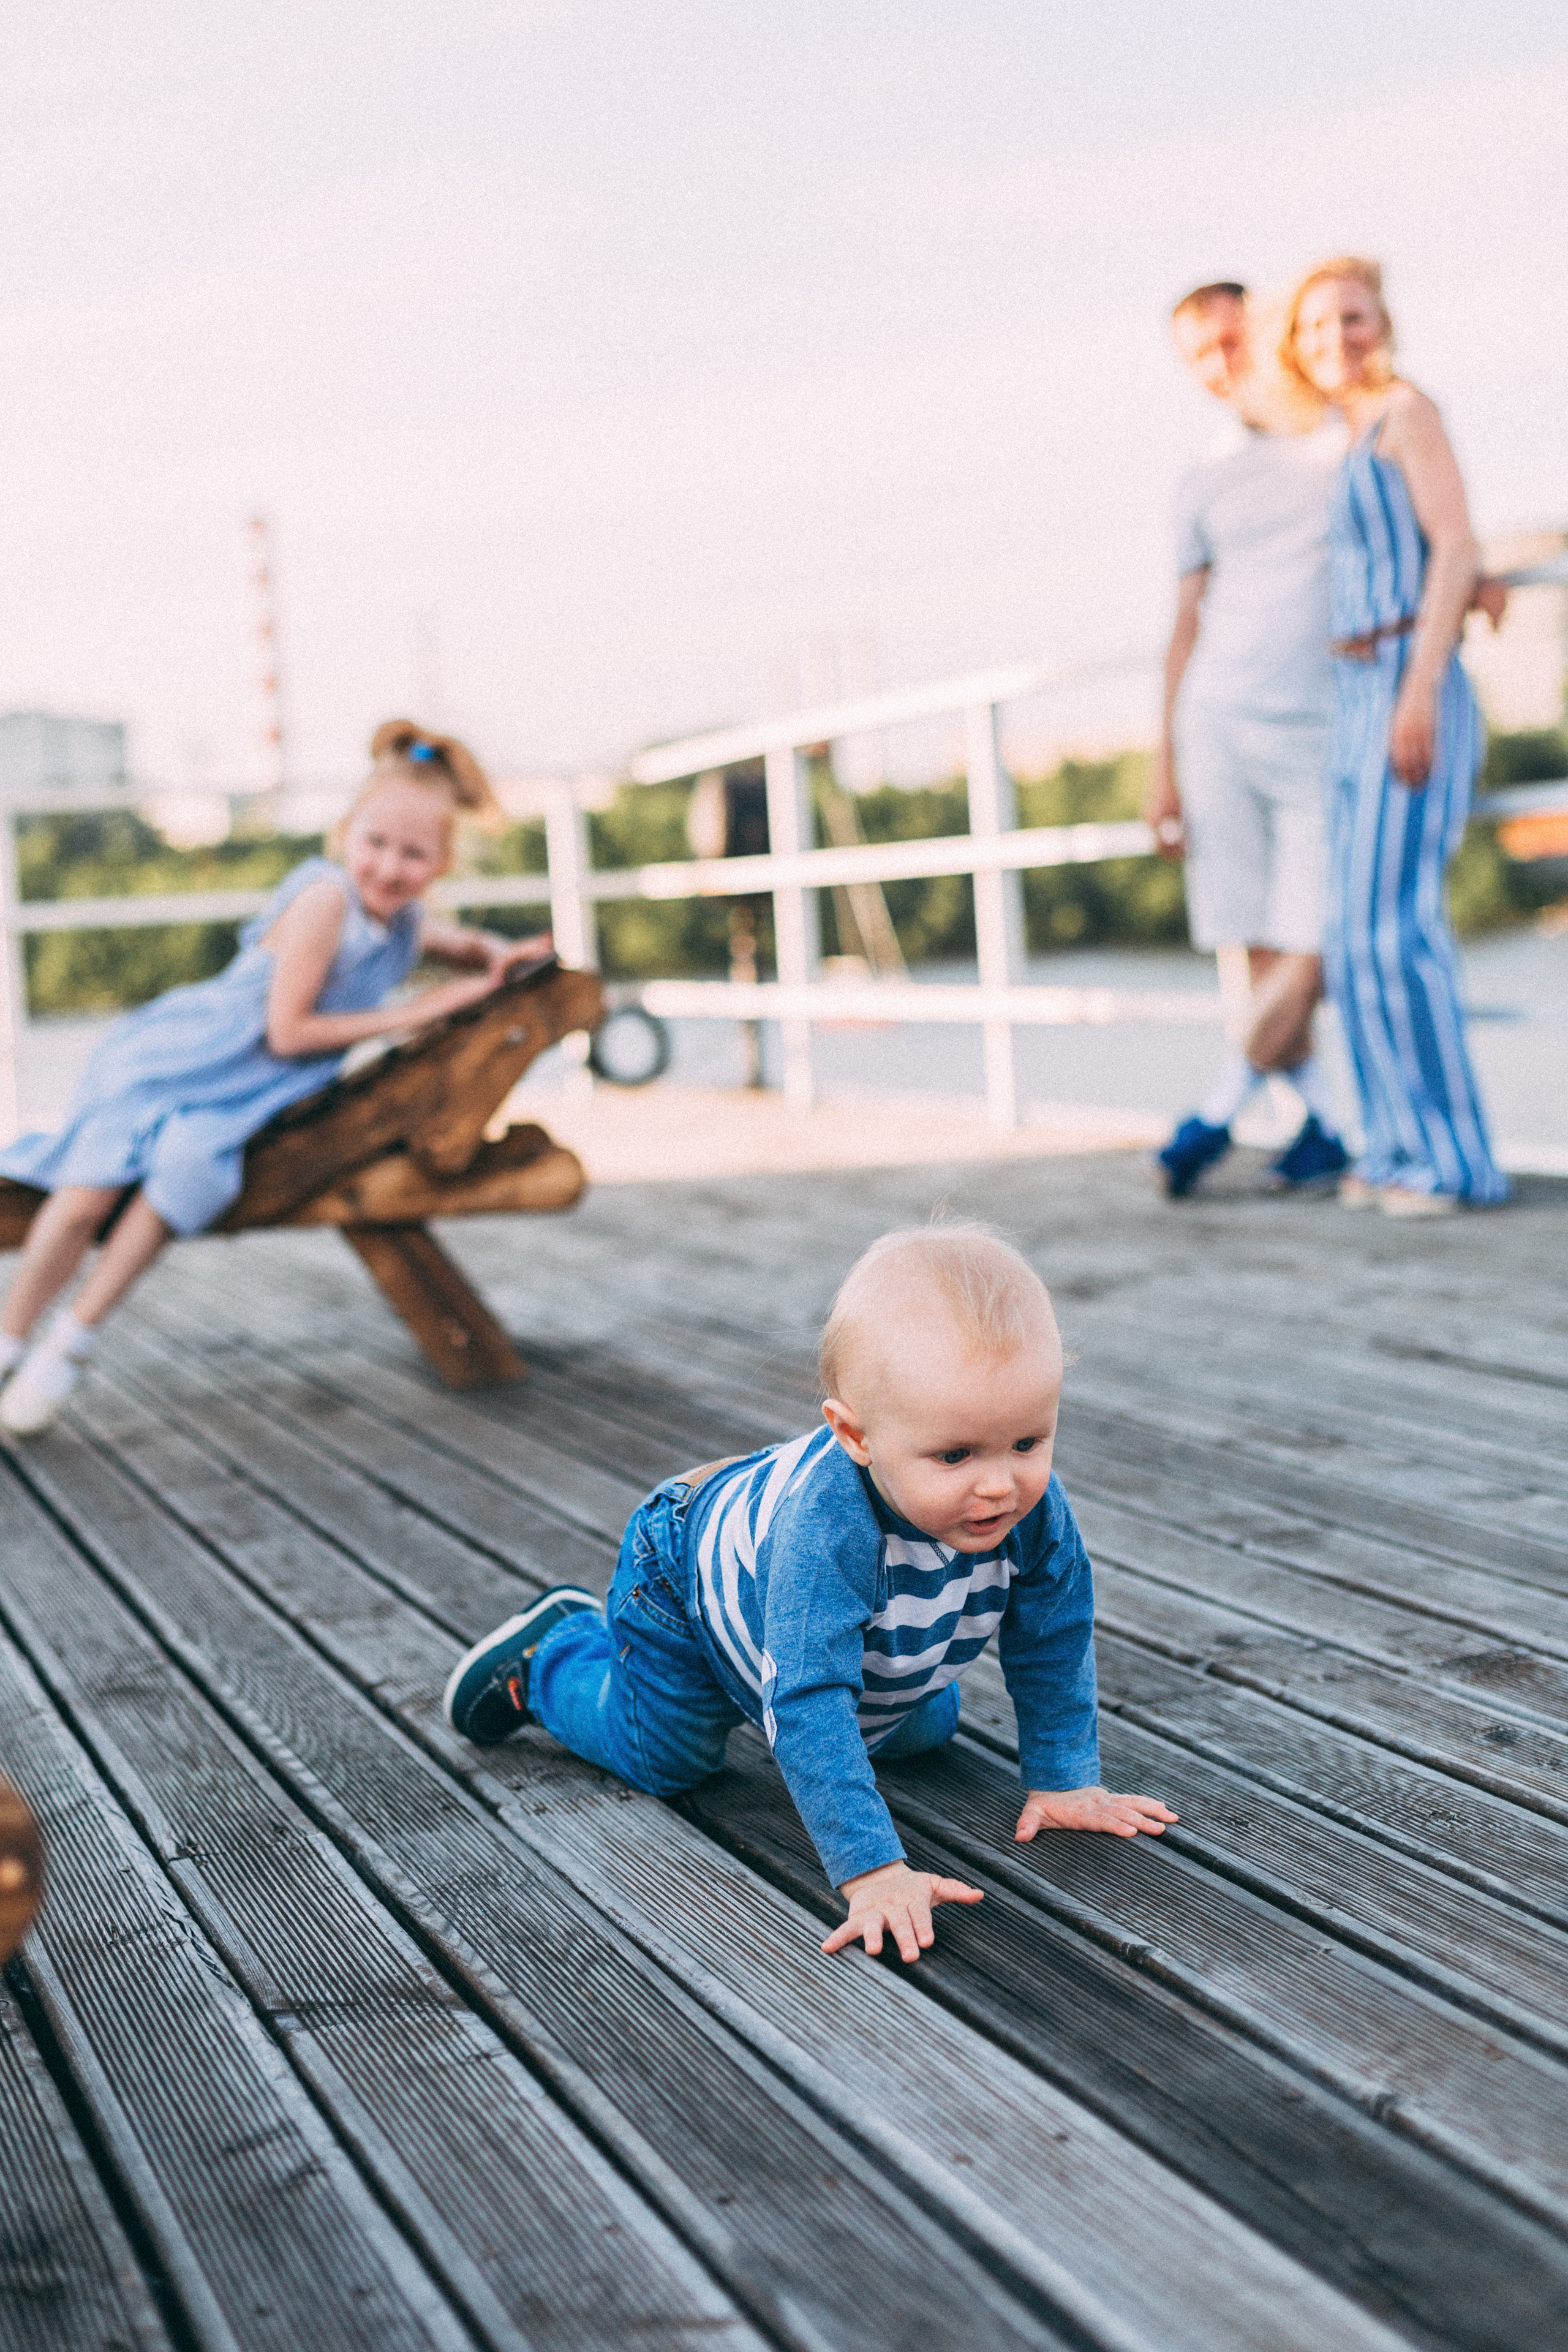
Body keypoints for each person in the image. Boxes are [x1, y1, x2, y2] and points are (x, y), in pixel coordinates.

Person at [444, 1227, 1176, 1963]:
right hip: (685, 1582)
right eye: (955, 1455)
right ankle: (553, 1656)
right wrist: (873, 1872)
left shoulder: (1032, 1511)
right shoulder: (825, 1535)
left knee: (921, 1734)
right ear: (855, 1436)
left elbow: (1052, 1635)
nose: (999, 1482)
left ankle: (891, 1685)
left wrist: (1065, 1779)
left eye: (1027, 1442)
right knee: (669, 1760)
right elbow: (805, 1700)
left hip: (816, 1610)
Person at [0, 720, 551, 1431]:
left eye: (413, 854)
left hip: (244, 1098)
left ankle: (71, 1342)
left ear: (441, 864)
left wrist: (497, 953)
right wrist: (417, 1014)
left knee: (187, 1178)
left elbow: (460, 944)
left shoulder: (405, 922)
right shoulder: (325, 900)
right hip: (182, 1062)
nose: (388, 867)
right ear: (347, 834)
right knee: (85, 1196)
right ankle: (10, 1338)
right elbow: (286, 1033)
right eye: (375, 844)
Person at [1279, 259, 1509, 1214]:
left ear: (1385, 322)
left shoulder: (1409, 411)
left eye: (1355, 317)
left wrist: (1418, 689)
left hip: (1407, 680)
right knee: (1351, 936)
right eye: (1318, 326)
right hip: (1350, 690)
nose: (1340, 338)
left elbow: (1453, 544)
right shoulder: (1337, 435)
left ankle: (1452, 1162)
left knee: (1397, 928)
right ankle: (1390, 1147)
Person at [1146, 281, 1352, 1199]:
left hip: (1322, 731)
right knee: (1258, 945)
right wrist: (1164, 766)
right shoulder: (1202, 477)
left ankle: (1217, 1112)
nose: (1222, 363)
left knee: (1320, 934)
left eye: (1232, 340)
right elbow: (1184, 627)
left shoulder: (1338, 436)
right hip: (1217, 727)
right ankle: (1320, 1130)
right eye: (1202, 354)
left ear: (1263, 334)